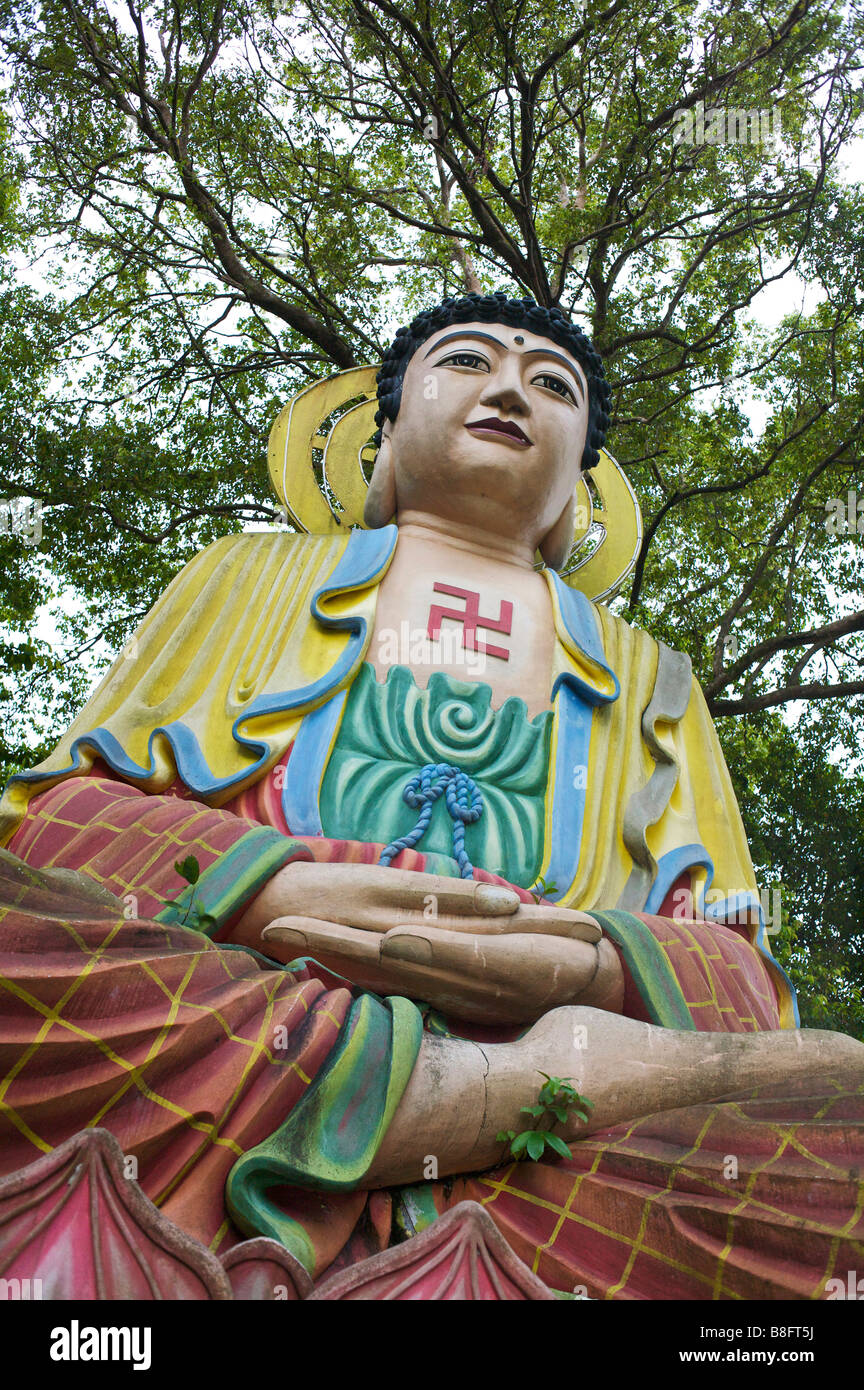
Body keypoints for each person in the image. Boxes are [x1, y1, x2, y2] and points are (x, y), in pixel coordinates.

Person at [1, 292, 861, 1299]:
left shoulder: (653, 677)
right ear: (385, 439)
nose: (508, 388)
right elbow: (56, 824)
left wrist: (582, 968)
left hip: (563, 1075)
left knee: (839, 1106)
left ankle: (455, 1087)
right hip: (242, 986)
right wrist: (274, 888)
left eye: (552, 384)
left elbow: (739, 975)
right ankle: (497, 1093)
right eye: (466, 362)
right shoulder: (253, 575)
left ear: (579, 485)